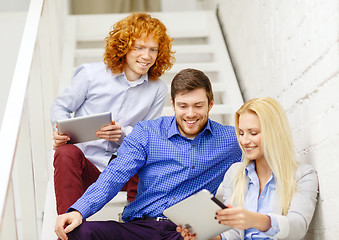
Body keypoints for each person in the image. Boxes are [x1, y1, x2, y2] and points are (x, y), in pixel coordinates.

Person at [54, 68, 242, 240]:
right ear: (173, 104)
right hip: (140, 226)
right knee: (78, 233)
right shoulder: (147, 132)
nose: (190, 114)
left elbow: (263, 150)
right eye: (183, 106)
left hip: (185, 233)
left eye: (198, 106)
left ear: (211, 104)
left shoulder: (232, 140)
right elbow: (115, 174)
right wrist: (78, 211)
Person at [50, 12, 175, 215]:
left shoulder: (158, 89)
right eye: (139, 47)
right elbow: (60, 106)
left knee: (151, 150)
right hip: (86, 167)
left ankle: (138, 223)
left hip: (124, 170)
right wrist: (61, 131)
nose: (147, 56)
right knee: (65, 153)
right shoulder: (90, 75)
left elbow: (150, 135)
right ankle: (68, 230)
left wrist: (123, 134)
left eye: (153, 49)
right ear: (124, 47)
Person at [178, 97, 319, 240]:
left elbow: (298, 227)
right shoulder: (234, 173)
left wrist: (255, 220)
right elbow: (234, 233)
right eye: (241, 133)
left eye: (253, 133)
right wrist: (207, 236)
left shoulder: (303, 175)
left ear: (274, 133)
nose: (244, 141)